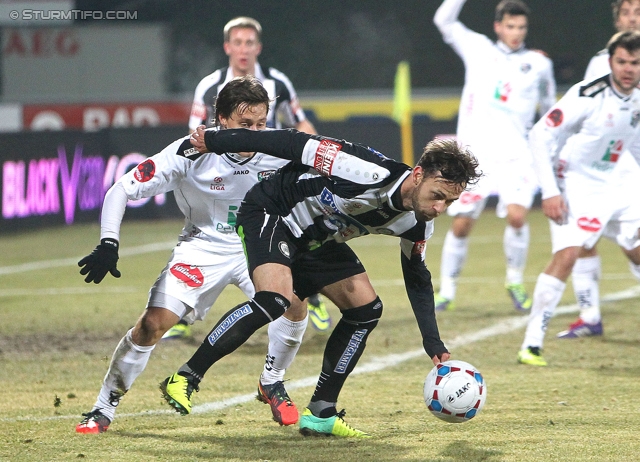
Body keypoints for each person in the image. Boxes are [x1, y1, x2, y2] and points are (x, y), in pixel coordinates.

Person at [159, 126, 481, 438]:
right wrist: (215, 140)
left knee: (366, 309)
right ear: (418, 174)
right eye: (437, 196)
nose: (439, 208)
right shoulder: (362, 169)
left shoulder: (417, 224)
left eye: (449, 203)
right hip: (272, 211)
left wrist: (432, 341)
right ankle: (186, 376)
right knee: (275, 299)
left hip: (315, 239)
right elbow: (289, 142)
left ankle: (321, 412)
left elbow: (417, 277)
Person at [75, 76, 307, 434]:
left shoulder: (279, 148)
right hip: (203, 246)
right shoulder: (190, 150)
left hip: (257, 245)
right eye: (245, 125)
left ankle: (271, 380)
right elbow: (121, 189)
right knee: (153, 325)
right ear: (222, 120)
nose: (254, 132)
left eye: (261, 124)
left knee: (294, 302)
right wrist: (109, 242)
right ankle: (102, 407)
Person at [165, 16, 329, 340]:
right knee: (202, 231)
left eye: (249, 43)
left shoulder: (277, 83)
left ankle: (312, 295)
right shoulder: (211, 86)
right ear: (228, 47)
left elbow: (300, 123)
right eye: (237, 43)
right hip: (224, 176)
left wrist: (316, 157)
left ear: (258, 47)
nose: (243, 49)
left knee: (297, 228)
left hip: (268, 174)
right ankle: (183, 309)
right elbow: (195, 134)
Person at [518, 30, 640, 366]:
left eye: (635, 62)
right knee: (568, 254)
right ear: (610, 61)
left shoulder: (638, 98)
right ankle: (532, 344)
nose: (628, 69)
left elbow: (635, 143)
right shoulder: (587, 95)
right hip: (577, 183)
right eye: (622, 62)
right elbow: (540, 135)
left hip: (617, 182)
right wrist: (552, 191)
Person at [432, 0, 556, 312]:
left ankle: (514, 280)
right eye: (510, 26)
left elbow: (550, 108)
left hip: (517, 157)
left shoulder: (538, 64)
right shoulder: (477, 48)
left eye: (521, 27)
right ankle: (447, 290)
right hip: (476, 157)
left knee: (517, 217)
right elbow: (443, 19)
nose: (516, 33)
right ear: (498, 26)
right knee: (461, 224)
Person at [556, 0, 640, 339]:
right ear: (616, 19)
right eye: (625, 13)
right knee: (583, 239)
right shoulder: (599, 63)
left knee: (633, 243)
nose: (632, 17)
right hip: (600, 166)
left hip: (630, 164)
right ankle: (590, 316)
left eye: (638, 11)